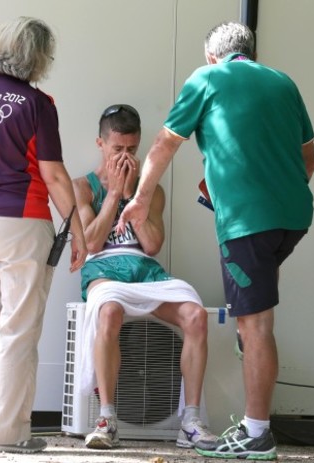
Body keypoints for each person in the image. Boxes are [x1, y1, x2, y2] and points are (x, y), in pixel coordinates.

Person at [117, 22, 314, 460]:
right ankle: (252, 341)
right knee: (258, 300)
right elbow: (309, 157)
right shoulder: (283, 81)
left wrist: (139, 199)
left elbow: (165, 143)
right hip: (294, 217)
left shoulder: (206, 78)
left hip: (248, 221)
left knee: (256, 325)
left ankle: (257, 433)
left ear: (212, 56)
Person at [0, 16, 87, 454]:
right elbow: (55, 176)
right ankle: (5, 435)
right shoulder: (37, 103)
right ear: (38, 55)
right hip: (22, 222)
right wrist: (78, 231)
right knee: (17, 330)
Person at [72, 104, 217, 451]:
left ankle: (191, 421)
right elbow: (90, 242)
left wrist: (133, 197)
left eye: (132, 150)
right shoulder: (82, 187)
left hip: (143, 268)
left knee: (195, 315)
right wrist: (112, 194)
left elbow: (152, 245)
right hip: (104, 268)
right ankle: (107, 419)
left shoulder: (152, 189)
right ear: (101, 144)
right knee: (108, 311)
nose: (125, 157)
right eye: (117, 149)